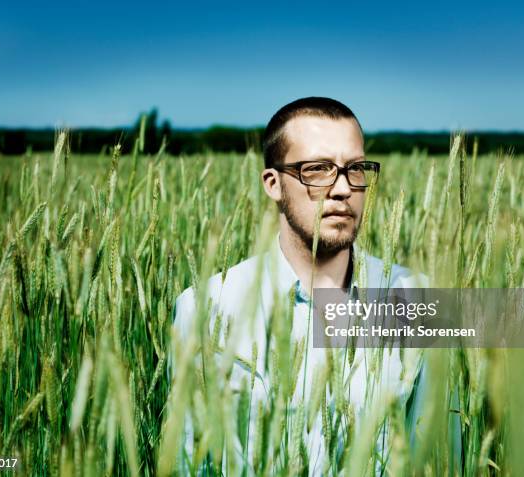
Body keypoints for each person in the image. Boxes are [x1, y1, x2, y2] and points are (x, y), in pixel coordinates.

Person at [171, 97, 435, 475]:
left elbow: (435, 455)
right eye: (318, 169)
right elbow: (187, 461)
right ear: (273, 184)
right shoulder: (207, 306)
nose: (343, 188)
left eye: (355, 169)